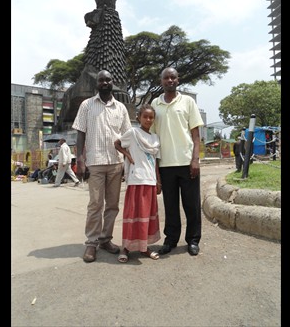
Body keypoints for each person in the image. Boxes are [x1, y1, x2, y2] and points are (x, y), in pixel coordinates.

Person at [73, 70, 132, 263]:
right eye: (101, 80)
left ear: (112, 82)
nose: (105, 82)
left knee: (113, 205)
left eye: (108, 80)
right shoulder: (87, 105)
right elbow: (80, 134)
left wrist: (129, 162)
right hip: (95, 162)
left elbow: (127, 137)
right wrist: (80, 160)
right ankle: (91, 243)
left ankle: (105, 239)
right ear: (96, 84)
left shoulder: (121, 108)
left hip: (115, 163)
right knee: (95, 204)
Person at [150, 67, 204, 256]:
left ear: (178, 80)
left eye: (173, 77)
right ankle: (171, 240)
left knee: (192, 205)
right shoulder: (155, 104)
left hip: (187, 162)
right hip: (165, 164)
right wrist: (155, 170)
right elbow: (153, 139)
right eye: (166, 78)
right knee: (171, 206)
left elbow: (196, 135)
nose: (170, 80)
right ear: (161, 81)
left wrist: (195, 159)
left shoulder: (187, 102)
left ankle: (193, 240)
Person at [113, 105, 162, 262]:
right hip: (136, 180)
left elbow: (155, 161)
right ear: (139, 117)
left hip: (150, 181)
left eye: (151, 117)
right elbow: (117, 143)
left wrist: (158, 181)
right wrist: (128, 155)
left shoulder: (155, 138)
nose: (148, 120)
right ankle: (126, 248)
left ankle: (144, 248)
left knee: (146, 216)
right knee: (133, 215)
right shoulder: (133, 133)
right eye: (145, 116)